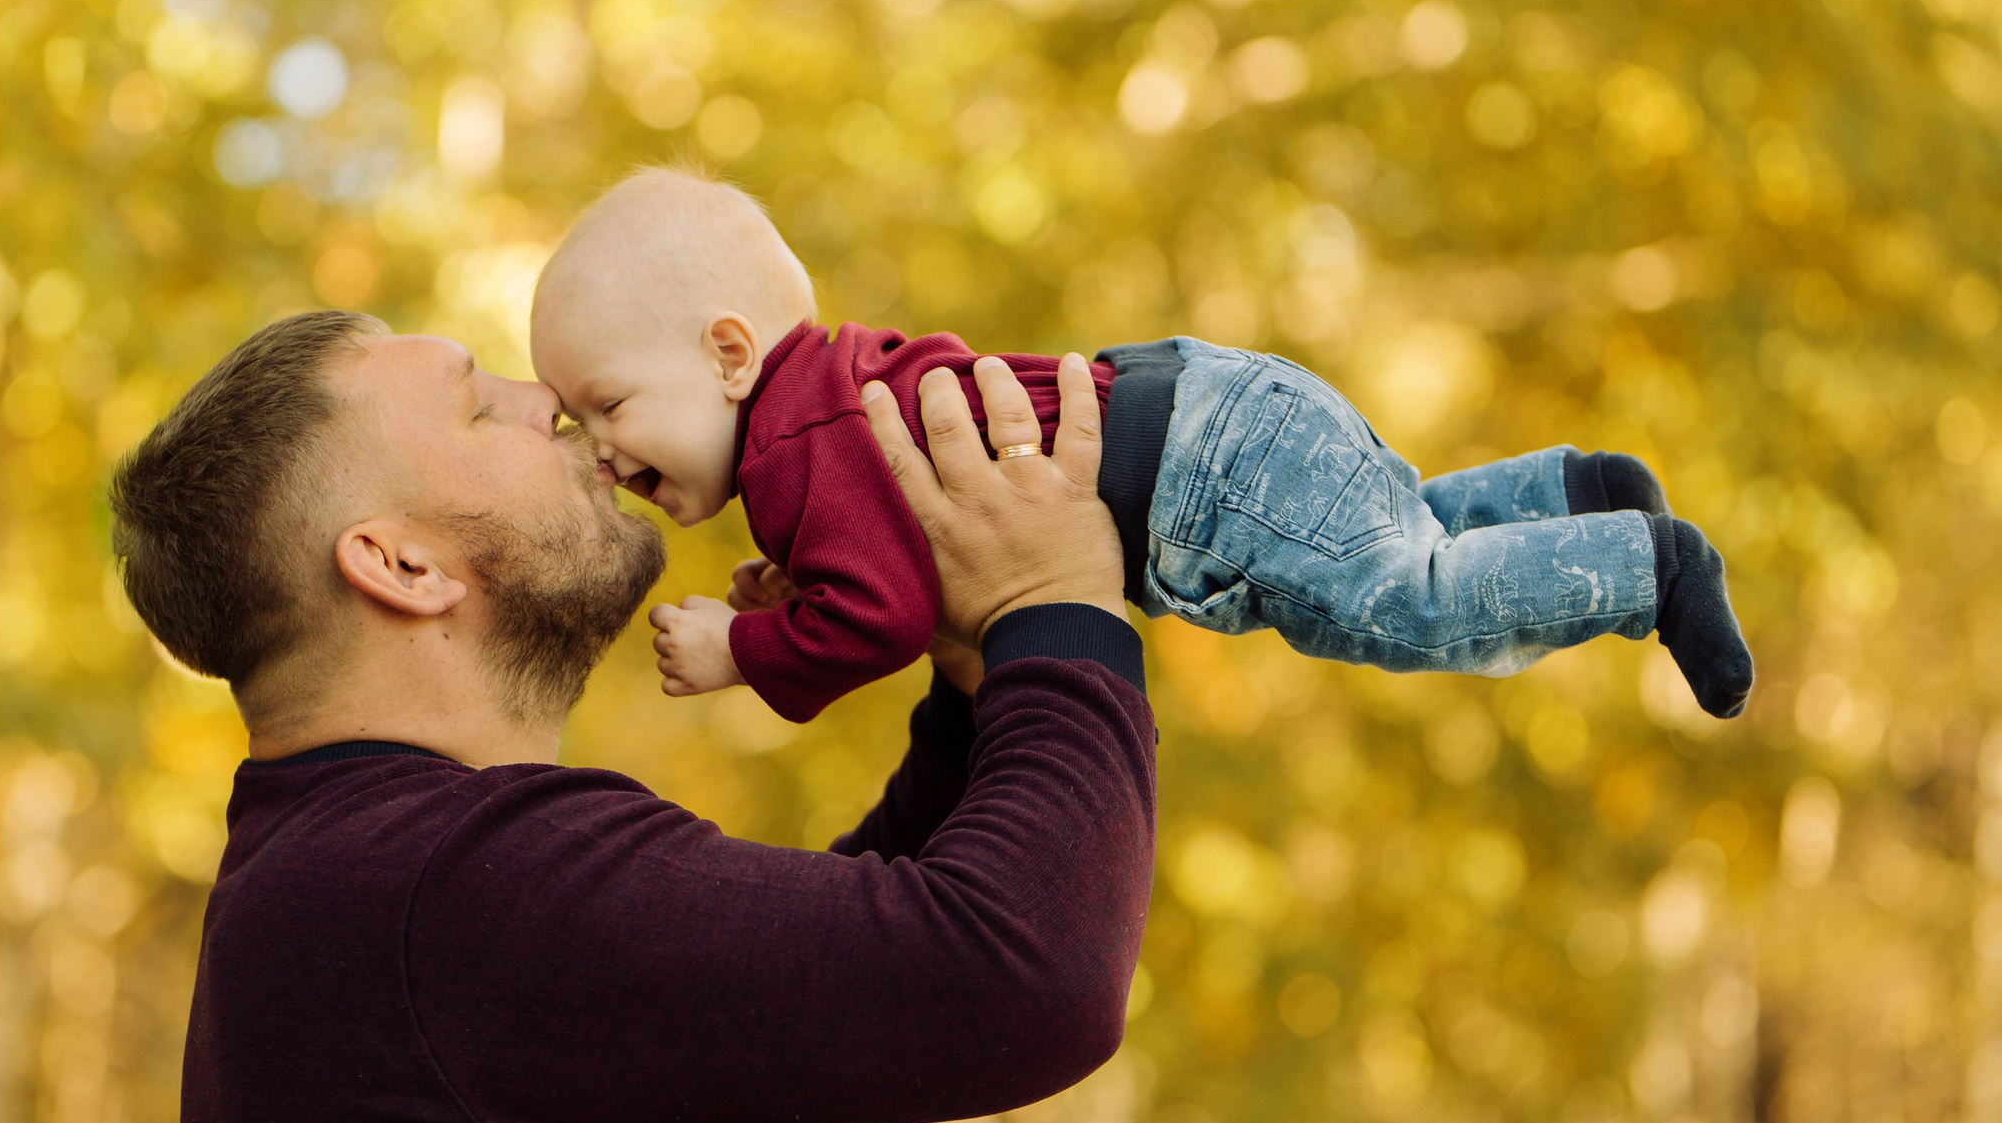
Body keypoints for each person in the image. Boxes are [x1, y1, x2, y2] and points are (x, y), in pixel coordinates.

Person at [107, 309, 1158, 1123]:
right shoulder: (444, 881)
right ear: (401, 564)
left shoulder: (361, 882)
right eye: (481, 406)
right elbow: (1016, 977)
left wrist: (976, 673)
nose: (548, 403)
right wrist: (1051, 603)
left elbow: (841, 967)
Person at [527, 167, 1755, 723]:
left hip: (1194, 471)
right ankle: (1569, 491)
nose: (597, 454)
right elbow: (900, 567)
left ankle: (1647, 567)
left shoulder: (797, 448)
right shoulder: (825, 413)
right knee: (1401, 541)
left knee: (1396, 604)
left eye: (608, 405)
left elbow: (890, 619)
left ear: (732, 354)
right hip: (1208, 408)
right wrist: (816, 586)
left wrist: (747, 649)